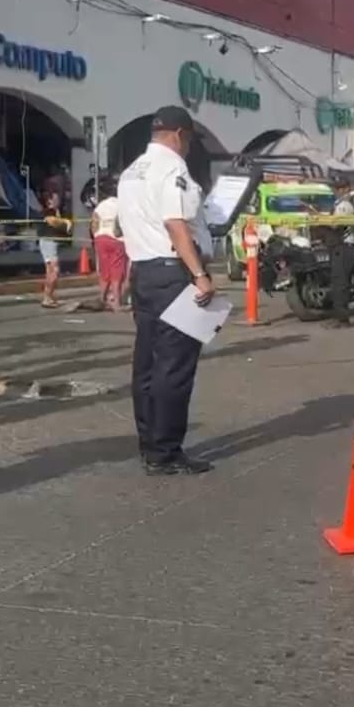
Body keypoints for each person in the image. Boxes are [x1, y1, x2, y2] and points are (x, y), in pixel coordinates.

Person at [117, 105, 216, 476]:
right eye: (188, 139)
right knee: (174, 367)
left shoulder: (131, 172)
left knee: (146, 363)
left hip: (144, 273)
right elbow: (175, 224)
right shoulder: (172, 168)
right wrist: (199, 274)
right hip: (173, 272)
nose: (188, 146)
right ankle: (166, 451)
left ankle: (149, 444)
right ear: (179, 135)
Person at [326, 177, 354, 328]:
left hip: (344, 247)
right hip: (342, 247)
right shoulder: (340, 204)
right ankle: (340, 317)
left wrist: (321, 221)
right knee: (339, 283)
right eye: (336, 188)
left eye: (340, 188)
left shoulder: (345, 205)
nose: (337, 191)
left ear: (346, 188)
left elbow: (336, 226)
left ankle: (342, 319)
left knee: (340, 284)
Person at [89, 178, 128, 311]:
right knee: (117, 272)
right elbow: (123, 223)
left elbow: (94, 222)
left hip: (101, 238)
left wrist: (96, 236)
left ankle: (102, 298)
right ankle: (116, 303)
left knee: (105, 271)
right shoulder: (122, 204)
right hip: (116, 240)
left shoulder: (100, 205)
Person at [38, 178, 65, 309]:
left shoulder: (57, 211)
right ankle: (47, 297)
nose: (58, 200)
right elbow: (53, 222)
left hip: (53, 242)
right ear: (49, 201)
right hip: (48, 242)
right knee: (54, 271)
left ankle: (50, 297)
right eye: (55, 198)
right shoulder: (47, 212)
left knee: (50, 271)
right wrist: (66, 223)